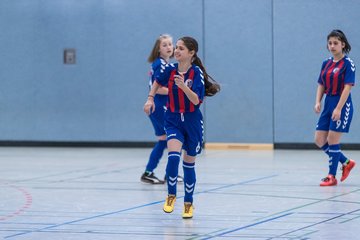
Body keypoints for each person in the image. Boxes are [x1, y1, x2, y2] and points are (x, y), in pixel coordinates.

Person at [144, 36, 220, 218]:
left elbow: (196, 101)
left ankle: (188, 202)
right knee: (172, 158)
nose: (176, 51)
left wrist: (183, 87)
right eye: (175, 47)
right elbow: (156, 82)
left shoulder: (196, 74)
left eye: (181, 48)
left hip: (192, 122)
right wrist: (150, 98)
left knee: (189, 165)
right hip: (172, 120)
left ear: (191, 53)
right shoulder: (170, 69)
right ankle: (171, 195)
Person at [314, 29, 356, 187]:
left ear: (342, 44)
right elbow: (321, 84)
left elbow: (347, 88)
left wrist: (339, 108)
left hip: (341, 104)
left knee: (332, 140)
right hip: (328, 103)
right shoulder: (326, 63)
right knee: (319, 140)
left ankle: (331, 176)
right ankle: (346, 162)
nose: (332, 46)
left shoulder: (348, 64)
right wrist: (318, 101)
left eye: (335, 43)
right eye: (330, 43)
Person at [140, 34, 174, 184]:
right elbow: (157, 88)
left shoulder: (161, 63)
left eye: (170, 44)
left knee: (163, 140)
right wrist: (176, 91)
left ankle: (149, 172)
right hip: (160, 107)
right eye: (165, 45)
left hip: (158, 107)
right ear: (158, 49)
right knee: (174, 139)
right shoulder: (161, 64)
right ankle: (169, 173)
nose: (169, 47)